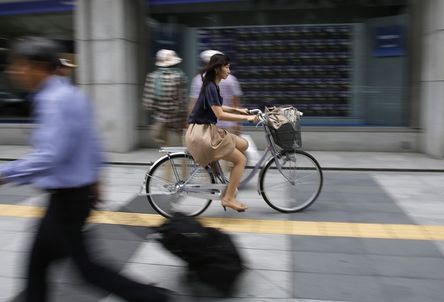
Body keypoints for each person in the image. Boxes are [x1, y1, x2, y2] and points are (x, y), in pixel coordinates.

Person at [0, 37, 171, 302]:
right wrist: (96, 179)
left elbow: (51, 155)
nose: (14, 71)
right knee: (44, 265)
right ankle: (153, 297)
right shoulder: (71, 94)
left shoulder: (53, 100)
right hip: (74, 196)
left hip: (67, 199)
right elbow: (92, 141)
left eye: (19, 65)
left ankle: (154, 298)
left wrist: (6, 173)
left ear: (37, 66)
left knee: (83, 269)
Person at [185, 53, 257, 212]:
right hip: (202, 134)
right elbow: (220, 114)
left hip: (207, 130)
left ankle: (227, 182)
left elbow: (219, 107)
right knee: (241, 160)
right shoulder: (211, 86)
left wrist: (241, 111)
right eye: (226, 67)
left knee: (243, 144)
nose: (229, 70)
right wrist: (247, 118)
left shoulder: (212, 85)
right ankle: (228, 198)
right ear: (217, 68)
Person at [190, 50, 243, 135]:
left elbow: (193, 105)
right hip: (227, 124)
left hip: (205, 127)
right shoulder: (231, 79)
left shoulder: (198, 80)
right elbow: (235, 104)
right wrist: (238, 122)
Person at [143, 49, 187, 147]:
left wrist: (154, 114)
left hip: (160, 118)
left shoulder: (152, 77)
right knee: (180, 146)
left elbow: (148, 103)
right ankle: (184, 162)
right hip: (177, 118)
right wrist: (184, 116)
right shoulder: (179, 76)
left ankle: (167, 162)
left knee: (164, 147)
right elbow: (182, 101)